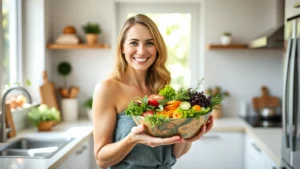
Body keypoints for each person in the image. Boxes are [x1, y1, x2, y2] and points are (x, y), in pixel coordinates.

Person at [92, 14, 214, 169]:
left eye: (149, 43)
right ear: (122, 47)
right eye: (134, 43)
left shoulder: (162, 88)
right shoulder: (108, 89)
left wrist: (190, 133)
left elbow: (174, 154)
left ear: (157, 48)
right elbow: (101, 160)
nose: (141, 51)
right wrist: (132, 139)